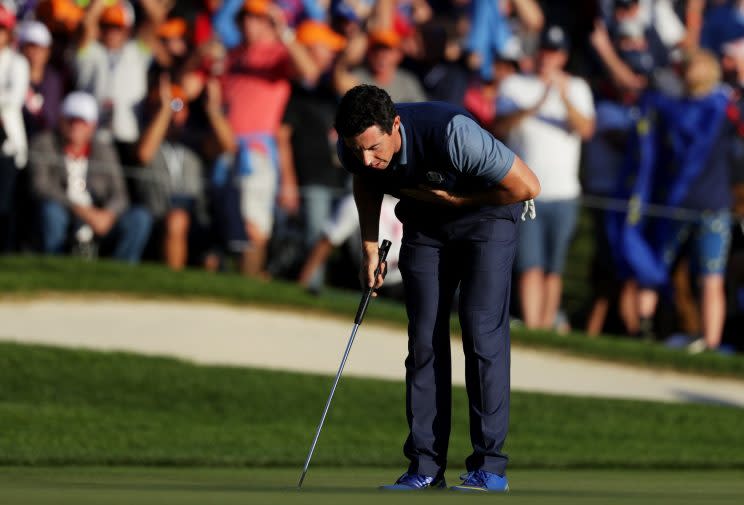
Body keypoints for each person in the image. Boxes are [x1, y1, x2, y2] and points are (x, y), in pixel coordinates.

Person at [335, 84, 540, 491]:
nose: (367, 158)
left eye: (374, 147)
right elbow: (365, 181)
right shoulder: (355, 150)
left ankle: (489, 466)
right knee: (424, 338)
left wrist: (458, 202)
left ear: (395, 125)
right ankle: (425, 467)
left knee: (481, 332)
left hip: (489, 214)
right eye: (357, 150)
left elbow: (526, 186)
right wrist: (369, 247)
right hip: (426, 224)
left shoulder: (453, 133)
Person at [495, 25, 596, 331]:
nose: (547, 58)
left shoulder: (577, 87)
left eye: (553, 53)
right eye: (544, 51)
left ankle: (545, 323)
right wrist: (536, 104)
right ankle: (533, 323)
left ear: (562, 56)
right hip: (526, 192)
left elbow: (587, 129)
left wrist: (562, 97)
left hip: (564, 193)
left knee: (554, 267)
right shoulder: (514, 85)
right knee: (529, 265)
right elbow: (499, 125)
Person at [29, 91, 152, 263]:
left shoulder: (104, 150)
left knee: (139, 218)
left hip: (99, 219)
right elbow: (41, 187)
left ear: (92, 126)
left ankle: (120, 274)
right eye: (71, 120)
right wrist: (82, 211)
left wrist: (108, 214)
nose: (75, 126)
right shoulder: (43, 143)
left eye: (82, 122)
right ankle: (52, 264)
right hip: (66, 214)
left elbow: (120, 194)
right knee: (51, 213)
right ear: (61, 120)